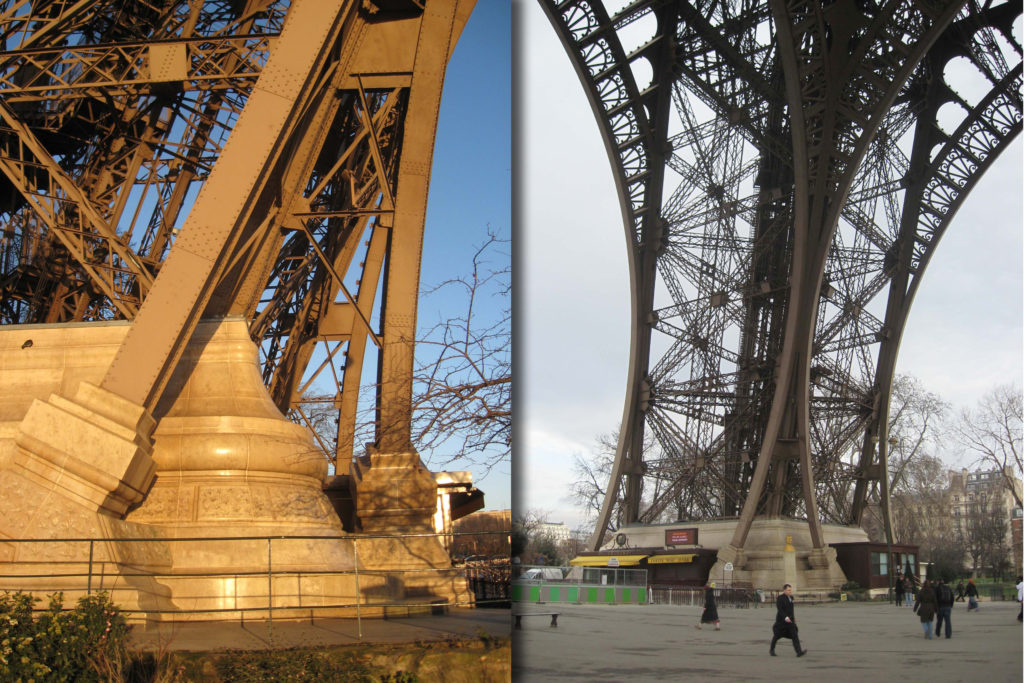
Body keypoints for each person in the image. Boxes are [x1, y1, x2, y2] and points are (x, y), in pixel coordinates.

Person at [769, 584, 807, 657]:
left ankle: (799, 652)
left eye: (790, 590)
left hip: (790, 621)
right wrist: (785, 617)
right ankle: (771, 650)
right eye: (788, 590)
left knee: (795, 635)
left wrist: (794, 619)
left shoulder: (791, 598)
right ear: (784, 590)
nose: (790, 591)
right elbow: (780, 609)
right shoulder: (780, 598)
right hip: (781, 621)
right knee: (777, 636)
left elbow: (791, 610)